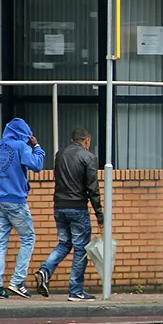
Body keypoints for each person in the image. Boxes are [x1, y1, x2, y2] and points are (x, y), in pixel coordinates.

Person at [34, 128, 103, 302]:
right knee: (80, 248)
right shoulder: (88, 157)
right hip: (77, 207)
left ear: (72, 140)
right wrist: (99, 215)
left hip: (59, 206)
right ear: (87, 140)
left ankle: (45, 270)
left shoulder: (60, 155)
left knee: (64, 243)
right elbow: (93, 188)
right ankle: (76, 290)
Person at [0, 118, 46, 299]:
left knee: (1, 243)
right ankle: (17, 281)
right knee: (28, 238)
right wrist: (37, 147)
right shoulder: (21, 146)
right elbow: (37, 165)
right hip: (16, 201)